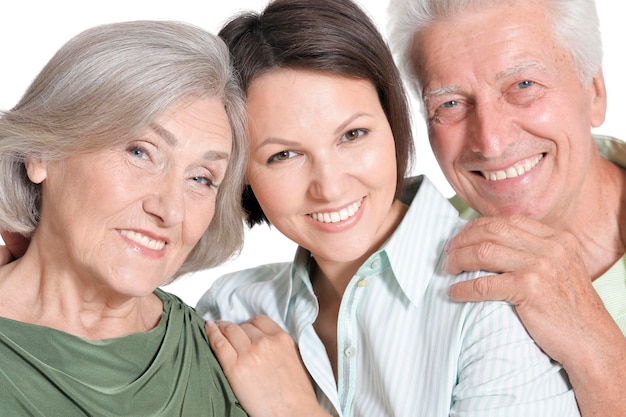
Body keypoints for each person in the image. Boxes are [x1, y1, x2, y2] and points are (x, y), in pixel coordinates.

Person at [198, 0, 581, 415]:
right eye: (284, 155)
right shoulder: (233, 309)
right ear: (241, 171)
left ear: (393, 119)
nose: (329, 187)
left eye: (353, 134)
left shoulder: (498, 298)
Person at [0, 20, 252, 416]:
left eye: (201, 178)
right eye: (140, 152)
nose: (170, 210)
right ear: (42, 152)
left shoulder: (231, 363)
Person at [387, 0, 626, 415]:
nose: (491, 141)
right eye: (450, 104)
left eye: (523, 85)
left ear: (595, 93)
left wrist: (599, 353)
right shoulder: (406, 264)